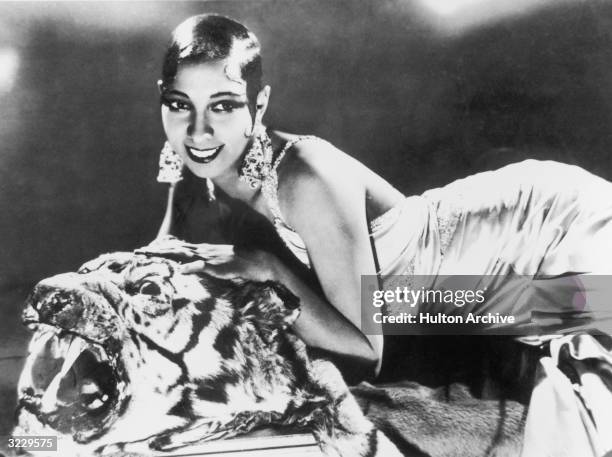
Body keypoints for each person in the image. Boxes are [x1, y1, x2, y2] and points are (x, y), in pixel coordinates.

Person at [144, 14, 612, 454]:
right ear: (163, 97)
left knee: (592, 380)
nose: (199, 130)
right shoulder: (195, 160)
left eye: (224, 105)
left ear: (259, 103)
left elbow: (366, 352)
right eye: (180, 105)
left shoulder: (304, 178)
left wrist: (268, 269)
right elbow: (160, 263)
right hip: (458, 299)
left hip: (546, 231)